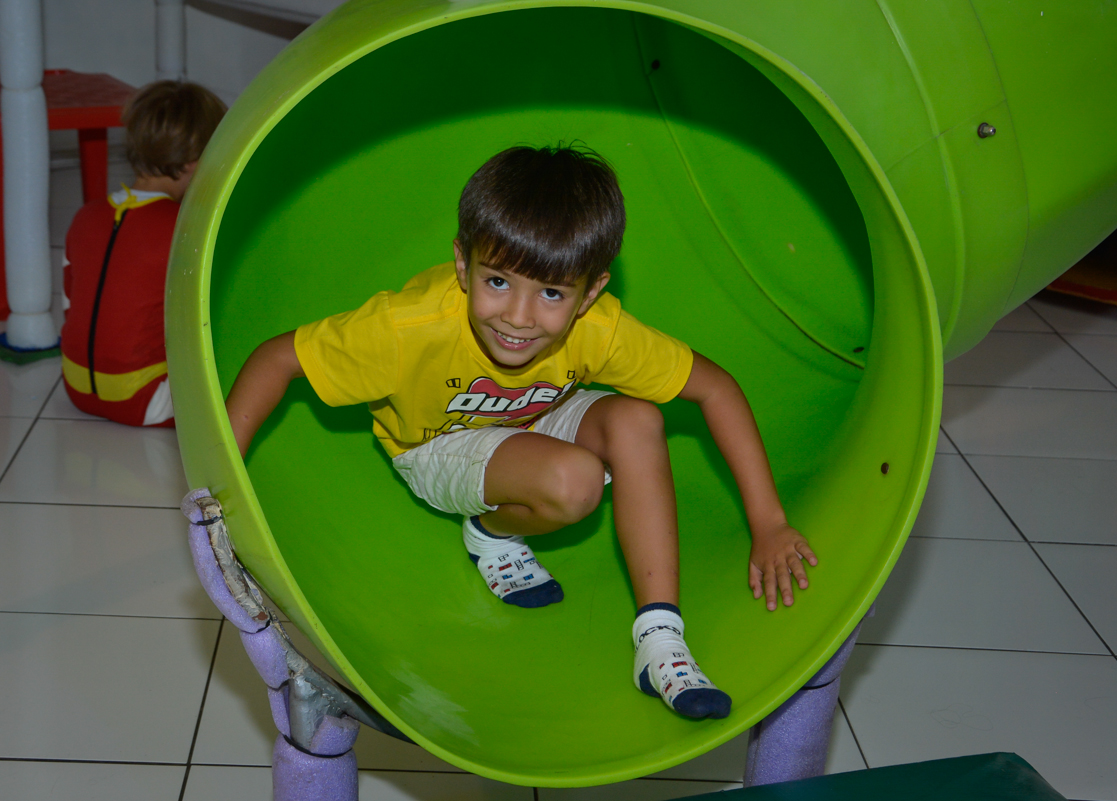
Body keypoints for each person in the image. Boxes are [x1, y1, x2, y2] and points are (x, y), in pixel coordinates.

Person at [224, 145, 819, 721]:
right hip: (437, 442)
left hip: (534, 413)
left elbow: (716, 388)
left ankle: (659, 640)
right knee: (575, 482)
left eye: (552, 293)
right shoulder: (409, 328)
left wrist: (768, 522)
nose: (518, 317)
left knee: (639, 418)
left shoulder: (599, 329)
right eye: (498, 282)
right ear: (463, 265)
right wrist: (219, 479)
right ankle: (492, 532)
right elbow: (277, 359)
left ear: (590, 294)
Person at [61, 80, 226, 426]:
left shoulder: (85, 216)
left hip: (75, 387)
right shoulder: (183, 228)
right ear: (195, 161)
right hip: (149, 400)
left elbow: (68, 301)